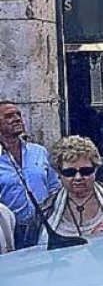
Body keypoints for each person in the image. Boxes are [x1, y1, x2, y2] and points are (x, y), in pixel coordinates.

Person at [0, 101, 60, 248]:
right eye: (8, 116)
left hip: (44, 227)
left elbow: (55, 188)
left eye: (18, 114)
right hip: (11, 232)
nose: (17, 119)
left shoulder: (39, 151)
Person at [41, 136, 103, 240]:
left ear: (95, 170)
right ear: (59, 174)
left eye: (85, 171)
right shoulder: (45, 210)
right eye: (69, 172)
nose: (78, 178)